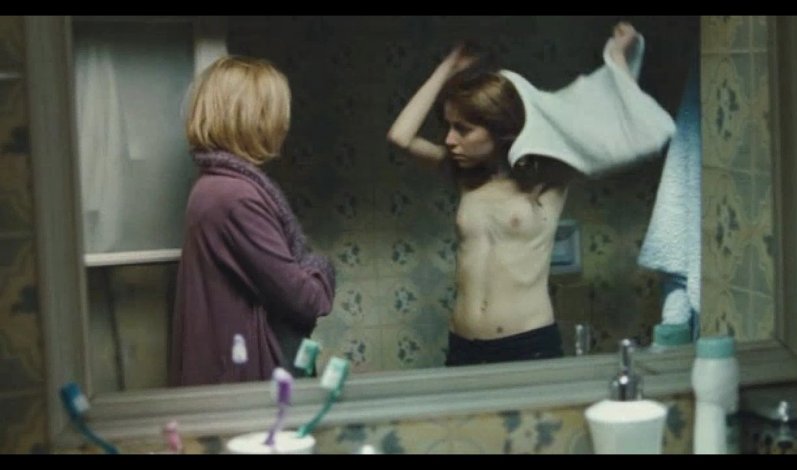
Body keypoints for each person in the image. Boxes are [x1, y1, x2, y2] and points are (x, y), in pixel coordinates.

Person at [387, 22, 652, 366]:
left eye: (463, 129)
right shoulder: (466, 177)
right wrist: (449, 67)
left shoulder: (549, 178)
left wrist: (617, 58)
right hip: (463, 344)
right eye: (449, 127)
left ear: (498, 129)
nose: (449, 139)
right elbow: (401, 137)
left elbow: (622, 134)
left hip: (527, 345)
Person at [170, 56, 336, 386]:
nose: (283, 126)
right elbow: (307, 299)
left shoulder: (214, 184)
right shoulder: (236, 196)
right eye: (276, 114)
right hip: (249, 373)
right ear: (252, 120)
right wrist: (322, 268)